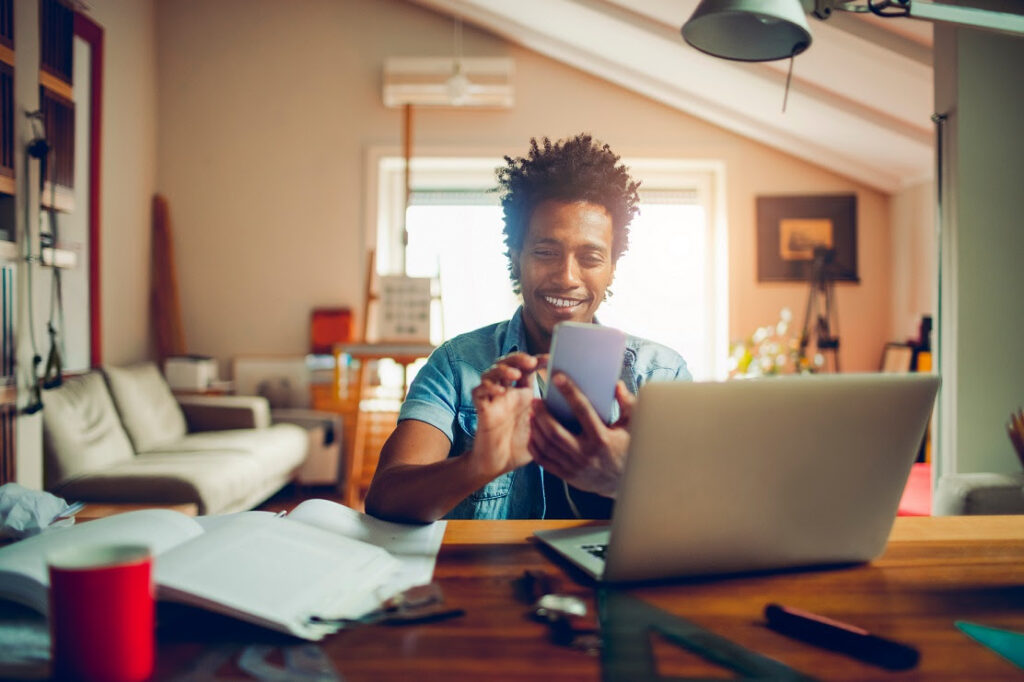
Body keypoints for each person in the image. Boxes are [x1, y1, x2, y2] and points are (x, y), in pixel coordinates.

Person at [364, 134, 690, 523]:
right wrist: (478, 465)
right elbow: (385, 498)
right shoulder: (455, 366)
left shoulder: (660, 375)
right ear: (516, 257)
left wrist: (630, 479)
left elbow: (704, 515)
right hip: (490, 580)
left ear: (612, 268)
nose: (567, 277)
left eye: (590, 256)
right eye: (546, 252)